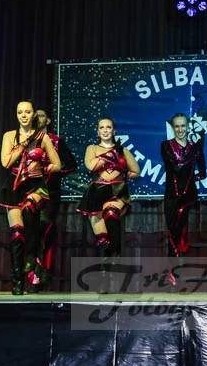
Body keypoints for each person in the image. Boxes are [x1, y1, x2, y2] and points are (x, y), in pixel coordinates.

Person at [0, 100, 61, 295]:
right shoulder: (9, 136)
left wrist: (42, 167)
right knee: (17, 234)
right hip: (14, 185)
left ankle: (31, 258)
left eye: (27, 112)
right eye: (20, 112)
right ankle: (17, 279)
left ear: (34, 114)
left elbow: (57, 164)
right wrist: (22, 146)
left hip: (35, 185)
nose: (23, 115)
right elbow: (5, 162)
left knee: (29, 210)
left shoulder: (43, 137)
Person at [78, 119, 140, 265]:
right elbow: (91, 166)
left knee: (111, 212)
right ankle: (106, 264)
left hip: (117, 191)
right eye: (102, 127)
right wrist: (111, 154)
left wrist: (121, 176)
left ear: (114, 130)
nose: (105, 130)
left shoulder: (123, 150)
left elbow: (136, 171)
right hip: (97, 192)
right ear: (97, 131)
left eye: (108, 127)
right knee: (103, 239)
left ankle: (116, 254)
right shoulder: (92, 148)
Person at [32, 109, 77, 291]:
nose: (37, 118)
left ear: (49, 121)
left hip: (50, 193)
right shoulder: (24, 140)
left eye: (41, 115)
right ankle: (30, 274)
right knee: (27, 231)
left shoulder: (56, 142)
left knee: (44, 227)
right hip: (28, 191)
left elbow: (71, 165)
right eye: (35, 115)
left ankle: (41, 273)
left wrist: (55, 173)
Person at [160, 112, 207, 267]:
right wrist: (193, 153)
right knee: (172, 229)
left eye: (183, 126)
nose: (180, 129)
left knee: (179, 228)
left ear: (188, 127)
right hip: (172, 194)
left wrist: (191, 179)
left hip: (188, 195)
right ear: (173, 128)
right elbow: (175, 168)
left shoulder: (196, 147)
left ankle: (174, 265)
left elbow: (203, 174)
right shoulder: (166, 145)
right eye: (177, 126)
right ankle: (174, 264)